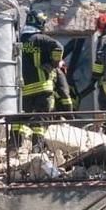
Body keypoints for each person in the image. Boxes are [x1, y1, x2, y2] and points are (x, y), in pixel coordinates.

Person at [10, 10, 64, 152]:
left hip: (24, 89)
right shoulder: (42, 39)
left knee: (20, 119)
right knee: (40, 119)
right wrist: (53, 64)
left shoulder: (18, 40)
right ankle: (37, 149)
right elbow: (59, 47)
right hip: (42, 87)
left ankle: (14, 147)